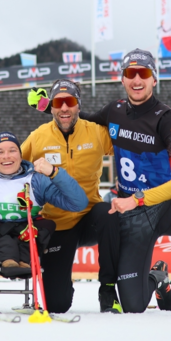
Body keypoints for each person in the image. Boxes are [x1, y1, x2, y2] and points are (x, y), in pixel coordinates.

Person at [80, 48, 171, 316]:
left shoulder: (168, 119)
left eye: (144, 73)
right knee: (133, 306)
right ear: (123, 79)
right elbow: (79, 123)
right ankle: (158, 278)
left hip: (161, 208)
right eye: (130, 73)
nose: (137, 80)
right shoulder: (113, 111)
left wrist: (138, 199)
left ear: (154, 79)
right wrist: (50, 106)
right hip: (132, 214)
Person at [22, 79, 122, 313]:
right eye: (59, 102)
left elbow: (130, 144)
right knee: (56, 304)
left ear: (79, 105)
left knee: (109, 214)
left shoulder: (96, 132)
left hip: (90, 218)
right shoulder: (38, 137)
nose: (64, 107)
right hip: (57, 225)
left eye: (70, 102)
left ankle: (107, 289)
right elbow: (10, 162)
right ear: (52, 107)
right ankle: (63, 285)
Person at [0, 132, 87, 280]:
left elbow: (78, 203)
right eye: (0, 151)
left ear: (20, 155)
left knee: (46, 224)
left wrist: (54, 173)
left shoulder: (36, 180)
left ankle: (25, 261)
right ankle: (7, 262)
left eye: (12, 150)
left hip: (26, 233)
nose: (6, 156)